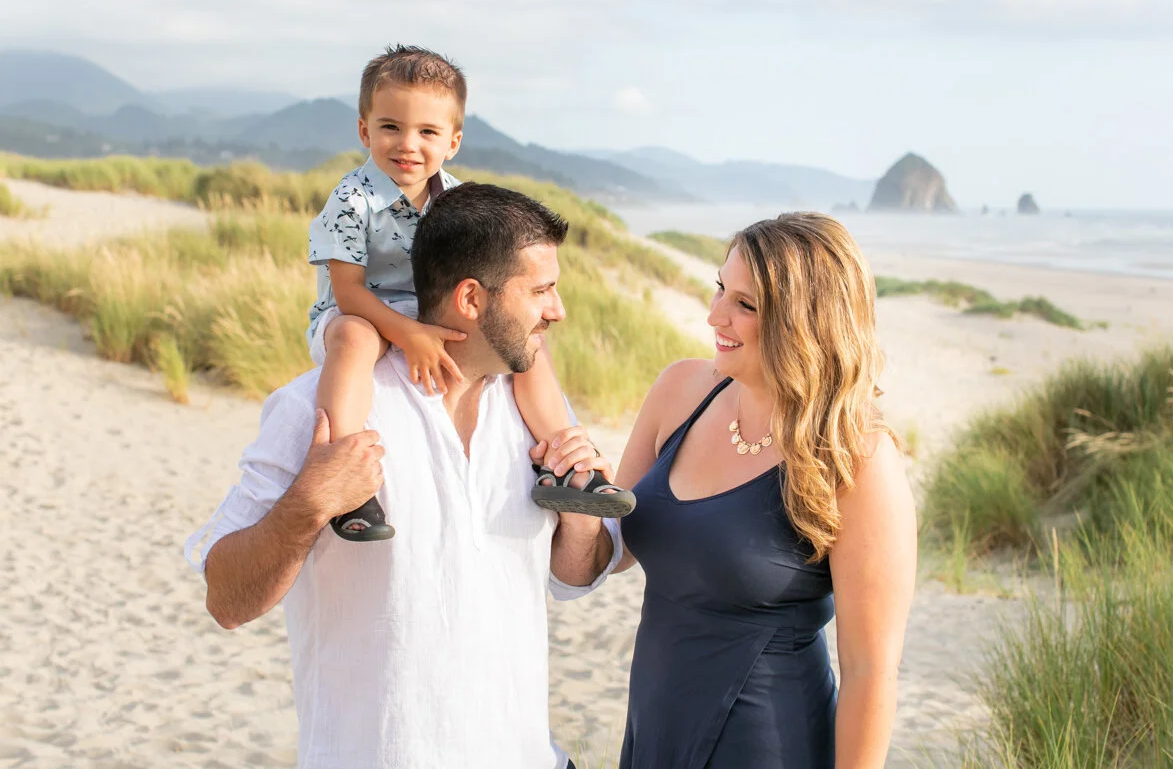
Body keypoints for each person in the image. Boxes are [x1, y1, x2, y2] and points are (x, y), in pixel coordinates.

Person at [184, 183, 621, 769]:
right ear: (471, 298)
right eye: (541, 290)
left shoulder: (535, 411)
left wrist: (579, 521)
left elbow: (572, 580)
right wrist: (308, 506)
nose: (557, 309)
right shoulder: (318, 410)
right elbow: (226, 599)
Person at [613, 213, 917, 768]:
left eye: (745, 305)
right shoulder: (681, 389)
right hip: (654, 731)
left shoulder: (858, 458)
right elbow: (607, 551)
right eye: (719, 289)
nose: (714, 316)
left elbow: (871, 672)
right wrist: (566, 478)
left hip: (767, 744)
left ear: (805, 322)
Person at [306, 44, 632, 541]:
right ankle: (348, 480)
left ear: (453, 140)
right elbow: (347, 292)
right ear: (364, 129)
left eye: (428, 132)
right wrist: (411, 335)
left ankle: (565, 465)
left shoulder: (456, 199)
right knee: (353, 339)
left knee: (524, 343)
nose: (407, 144)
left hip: (430, 310)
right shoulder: (352, 201)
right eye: (390, 126)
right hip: (360, 313)